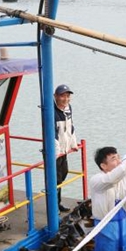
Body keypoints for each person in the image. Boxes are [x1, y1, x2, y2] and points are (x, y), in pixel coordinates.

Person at [53, 84, 78, 212]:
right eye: (62, 96)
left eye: (68, 96)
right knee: (54, 179)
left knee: (63, 173)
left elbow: (70, 127)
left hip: (64, 150)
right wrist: (56, 152)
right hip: (55, 152)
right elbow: (52, 133)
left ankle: (57, 203)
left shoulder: (68, 109)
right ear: (55, 96)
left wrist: (73, 144)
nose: (66, 99)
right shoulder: (51, 111)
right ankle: (54, 206)